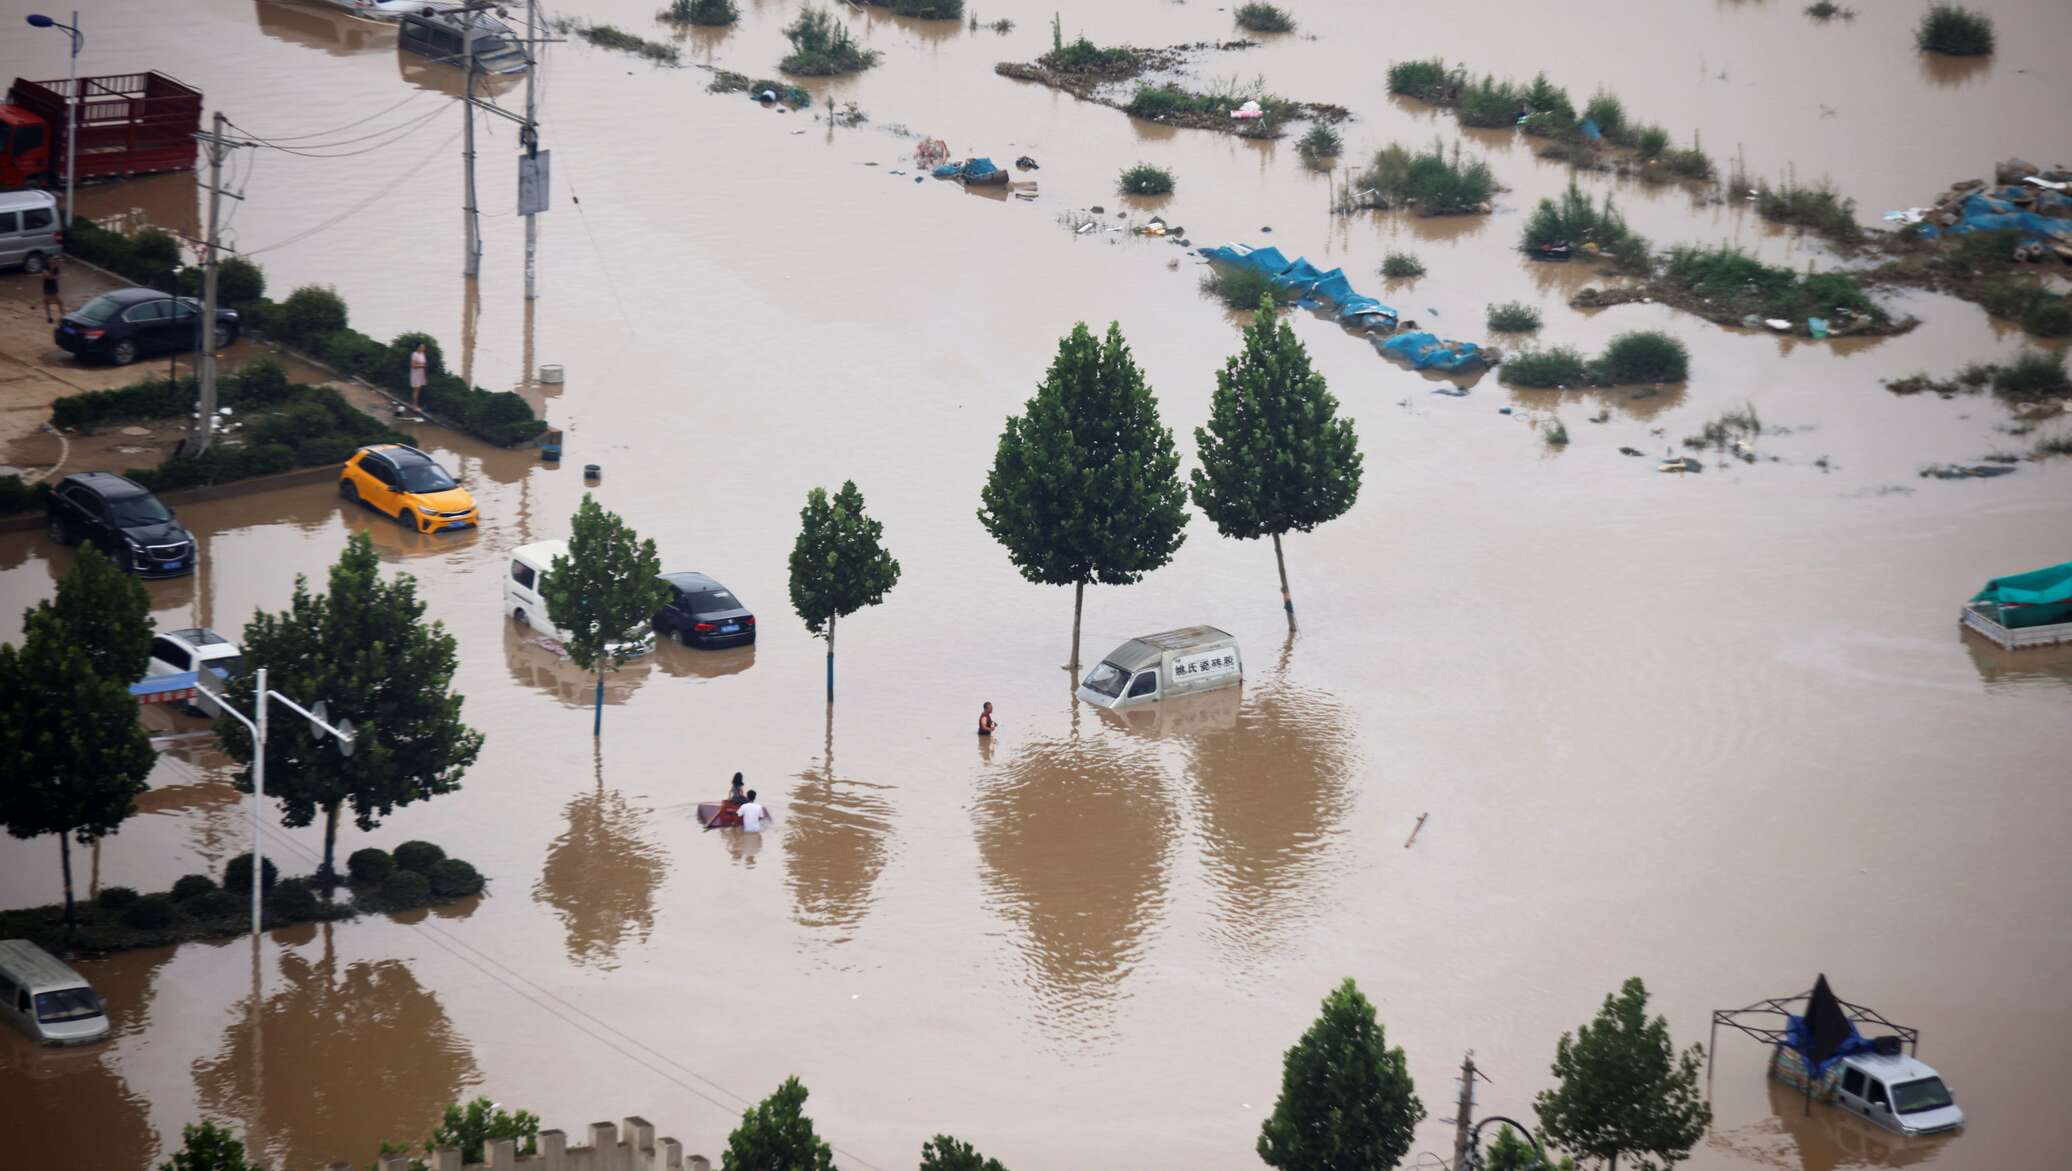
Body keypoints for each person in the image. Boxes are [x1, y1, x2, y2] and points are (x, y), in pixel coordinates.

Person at [41, 257, 62, 324]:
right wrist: (53, 275)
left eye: (52, 260)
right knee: (47, 303)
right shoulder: (45, 267)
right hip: (47, 288)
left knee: (59, 302)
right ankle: (49, 317)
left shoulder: (55, 267)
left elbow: (58, 277)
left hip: (53, 287)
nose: (51, 261)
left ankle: (62, 316)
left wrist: (52, 276)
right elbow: (47, 276)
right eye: (50, 260)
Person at [409, 342, 428, 410]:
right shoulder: (414, 354)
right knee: (416, 390)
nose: (424, 348)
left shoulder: (423, 354)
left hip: (421, 374)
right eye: (422, 347)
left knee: (419, 390)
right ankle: (414, 406)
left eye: (424, 347)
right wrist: (422, 365)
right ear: (418, 347)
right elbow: (413, 365)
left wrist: (422, 365)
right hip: (416, 374)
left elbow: (424, 363)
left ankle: (415, 405)